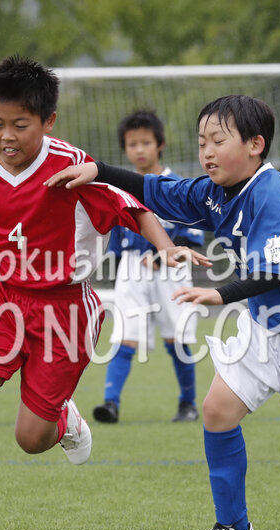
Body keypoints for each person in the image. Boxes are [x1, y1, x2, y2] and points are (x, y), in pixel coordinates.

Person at [46, 94, 280, 530]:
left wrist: (219, 294)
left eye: (218, 140)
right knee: (217, 412)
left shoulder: (270, 192)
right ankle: (234, 528)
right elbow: (158, 191)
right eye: (202, 142)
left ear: (256, 145)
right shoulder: (216, 192)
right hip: (264, 327)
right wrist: (98, 170)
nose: (207, 152)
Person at [0, 55, 209, 530]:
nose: (6, 136)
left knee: (30, 439)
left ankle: (63, 419)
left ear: (48, 121)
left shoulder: (74, 167)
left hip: (64, 310)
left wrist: (167, 247)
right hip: (1, 299)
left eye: (20, 125)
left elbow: (133, 208)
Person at [96, 110, 205, 424]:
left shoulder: (177, 185)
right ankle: (110, 404)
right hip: (132, 269)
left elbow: (192, 236)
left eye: (146, 142)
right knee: (125, 334)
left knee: (177, 338)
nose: (139, 150)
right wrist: (121, 272)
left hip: (171, 270)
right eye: (132, 144)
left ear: (160, 145)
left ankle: (188, 404)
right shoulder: (120, 188)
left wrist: (161, 255)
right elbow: (117, 237)